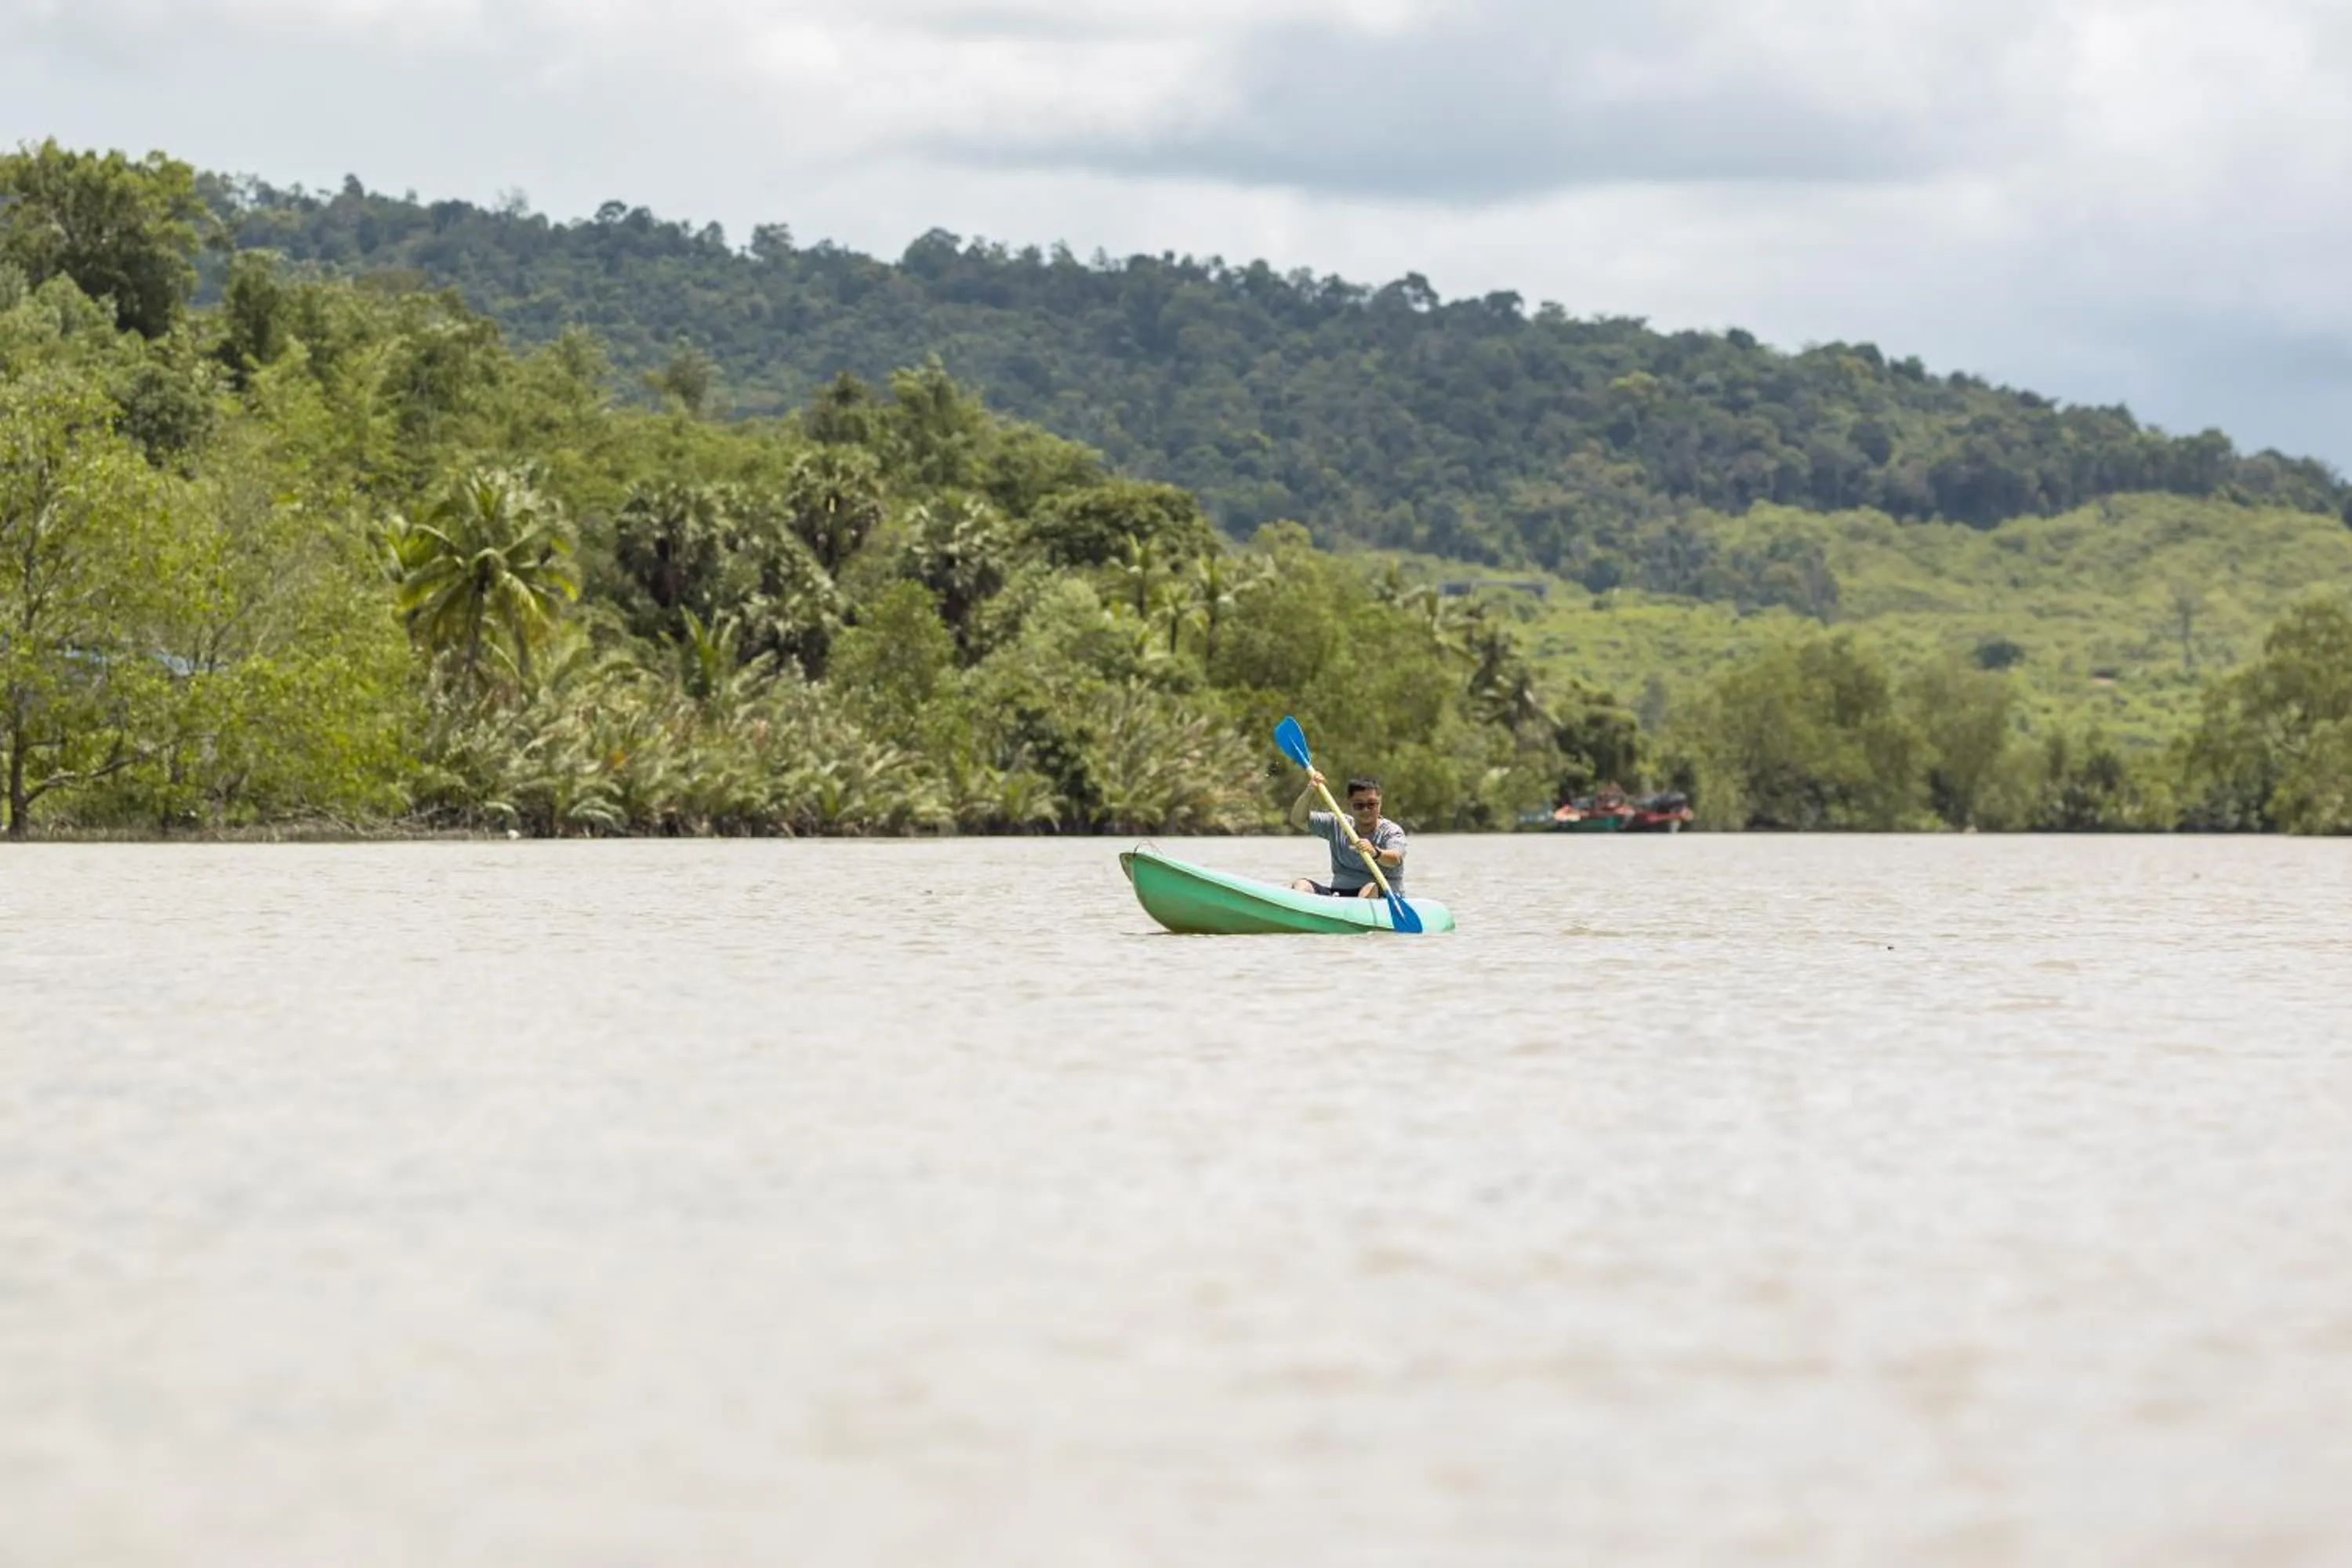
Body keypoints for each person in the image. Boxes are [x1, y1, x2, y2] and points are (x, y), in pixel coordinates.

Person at [1287, 769, 1406, 899]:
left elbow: (1396, 859)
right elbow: (1298, 819)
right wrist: (1310, 790)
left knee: (1370, 888)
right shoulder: (1338, 823)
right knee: (1301, 885)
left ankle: (1359, 914)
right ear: (1349, 804)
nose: (1366, 810)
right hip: (1340, 895)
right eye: (1359, 805)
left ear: (1380, 804)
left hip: (1380, 895)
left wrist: (1375, 853)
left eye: (1372, 804)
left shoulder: (1391, 831)